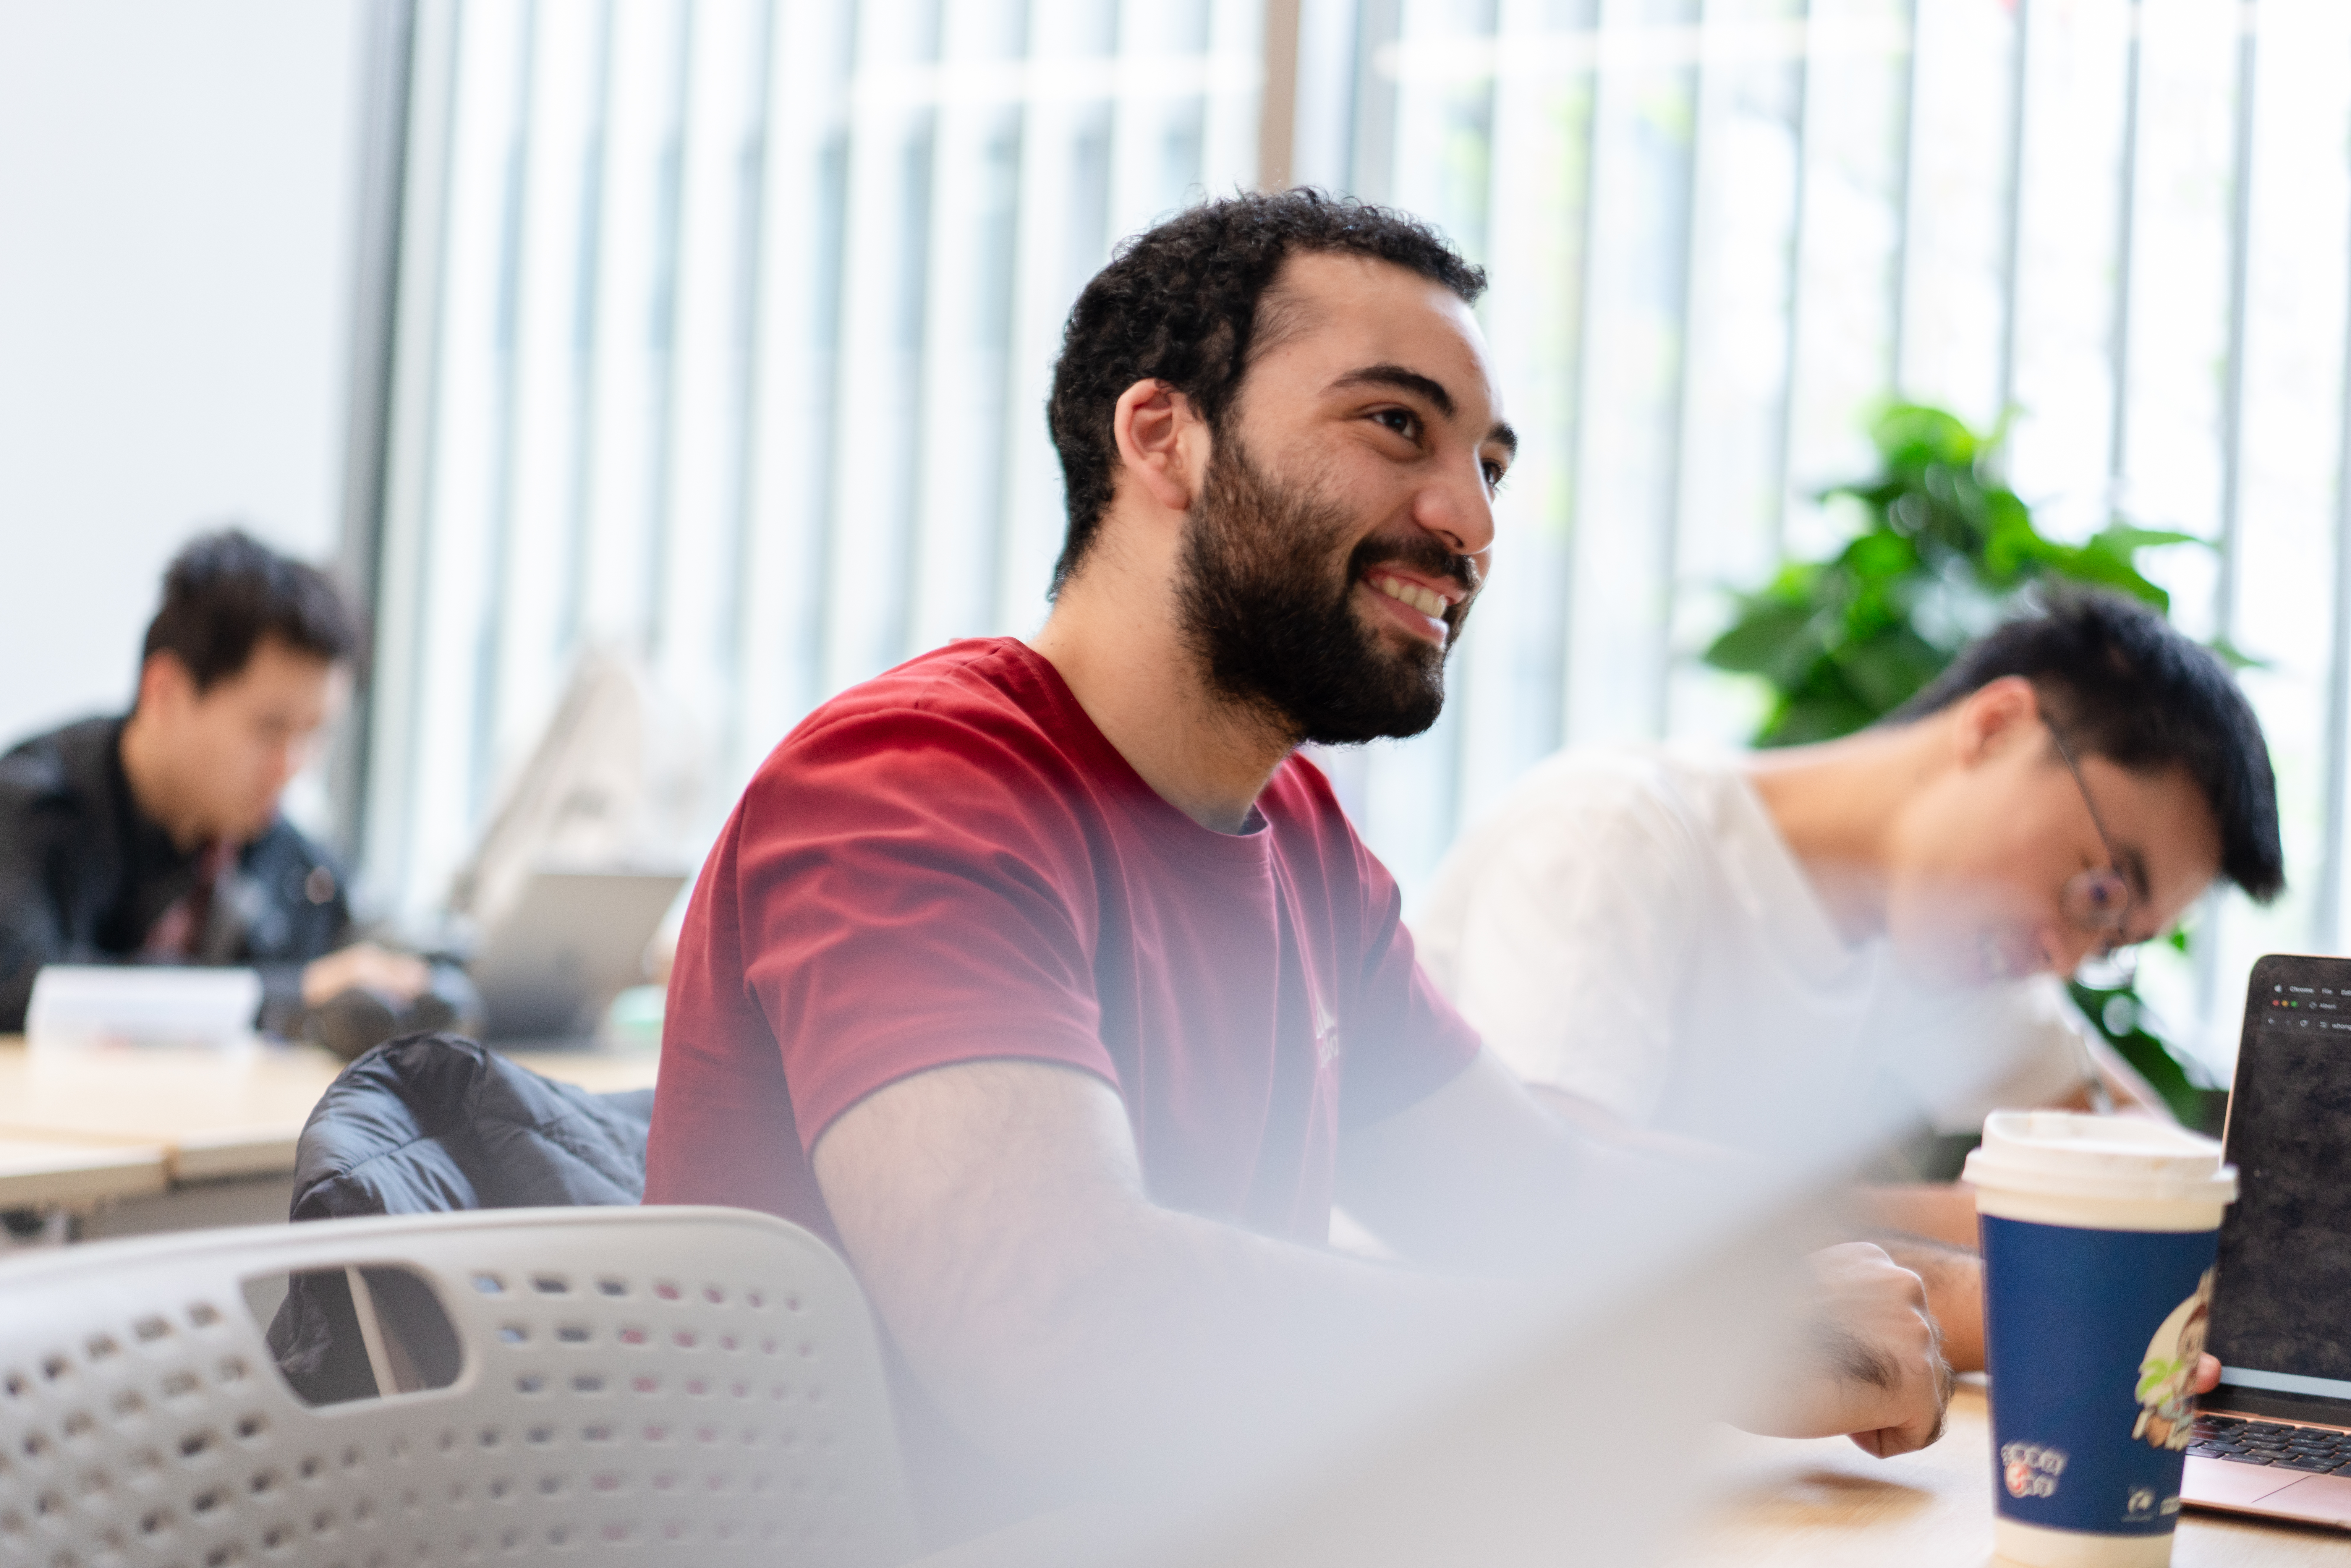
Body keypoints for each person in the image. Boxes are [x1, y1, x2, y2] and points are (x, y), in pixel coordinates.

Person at [645, 191, 1950, 1544]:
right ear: (1164, 436)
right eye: (1397, 424)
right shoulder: (915, 783)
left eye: (1490, 464)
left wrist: (1897, 1286)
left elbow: (1530, 1190)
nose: (1470, 518)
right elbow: (1055, 1323)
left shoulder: (1300, 834)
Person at [1413, 588, 2285, 1371]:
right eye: (2099, 888)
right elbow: (1554, 1199)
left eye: (2112, 939)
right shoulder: (1619, 834)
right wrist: (1978, 1227)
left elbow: (2159, 1162)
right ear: (1998, 728)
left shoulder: (1943, 949)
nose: (2066, 953)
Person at [0, 528, 431, 1038]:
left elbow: (355, 944)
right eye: (271, 729)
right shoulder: (30, 810)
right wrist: (294, 993)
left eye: (315, 735)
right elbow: (29, 990)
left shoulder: (279, 849)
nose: (293, 766)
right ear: (165, 694)